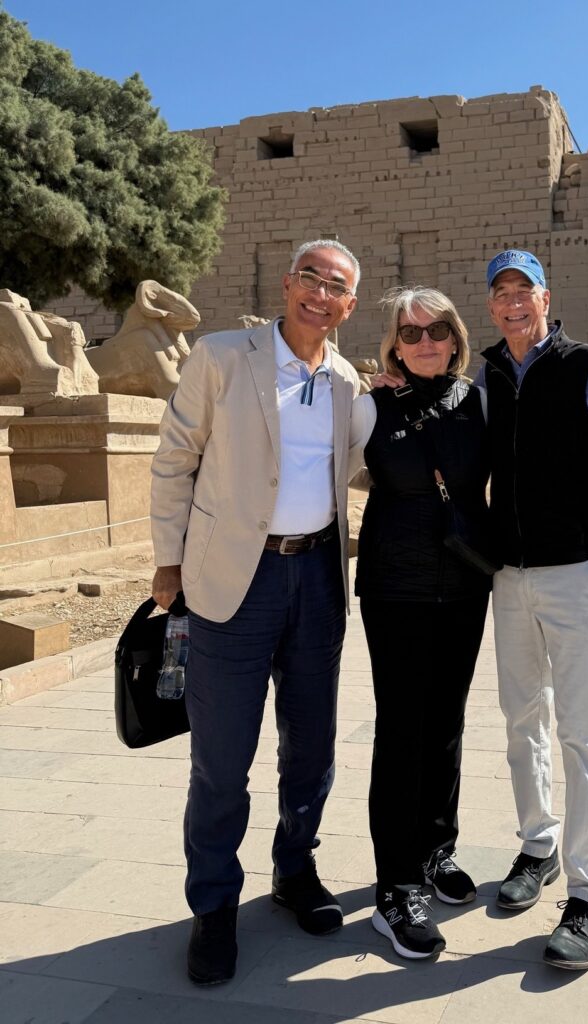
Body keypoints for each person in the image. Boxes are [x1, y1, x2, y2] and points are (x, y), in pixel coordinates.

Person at [150, 239, 363, 985]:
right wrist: (169, 559)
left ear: (349, 306)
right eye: (309, 277)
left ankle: (293, 870)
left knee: (311, 750)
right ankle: (212, 907)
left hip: (317, 580)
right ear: (287, 283)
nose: (319, 293)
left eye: (335, 286)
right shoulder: (221, 356)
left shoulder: (345, 382)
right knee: (221, 761)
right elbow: (175, 456)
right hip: (231, 582)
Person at [477, 249, 588, 971]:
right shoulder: (485, 373)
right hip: (509, 577)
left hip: (577, 572)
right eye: (501, 293)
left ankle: (587, 893)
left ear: (545, 298)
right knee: (521, 722)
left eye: (524, 291)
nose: (513, 303)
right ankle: (536, 847)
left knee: (582, 731)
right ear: (490, 306)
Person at [349, 287, 492, 960]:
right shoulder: (371, 406)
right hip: (395, 587)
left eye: (436, 329)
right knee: (403, 730)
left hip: (464, 584)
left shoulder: (480, 403)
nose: (425, 340)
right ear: (394, 346)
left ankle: (436, 850)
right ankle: (394, 887)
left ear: (456, 336)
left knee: (447, 726)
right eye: (410, 333)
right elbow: (324, 475)